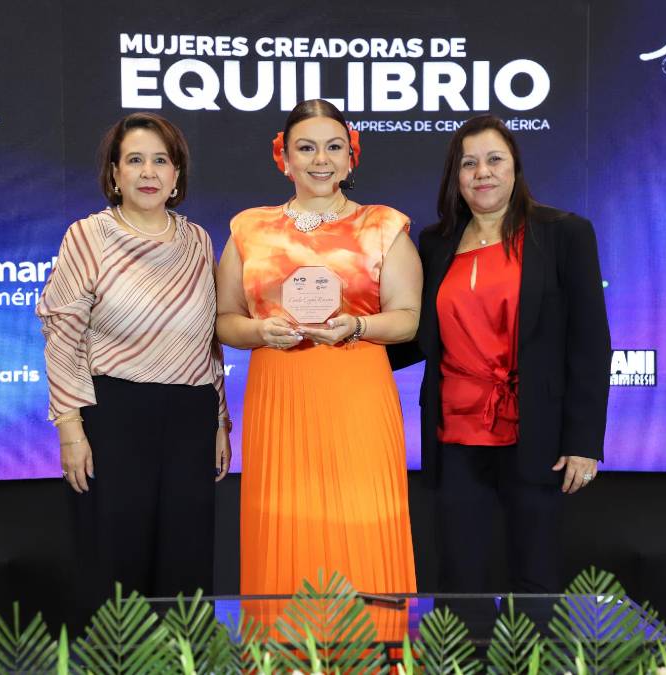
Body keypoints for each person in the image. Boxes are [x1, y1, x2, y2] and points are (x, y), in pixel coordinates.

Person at [393, 114, 610, 593]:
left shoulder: (564, 234)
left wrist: (584, 441)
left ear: (515, 167)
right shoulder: (434, 243)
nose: (482, 172)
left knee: (535, 575)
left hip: (535, 432)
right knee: (458, 576)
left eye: (494, 159)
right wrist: (345, 344)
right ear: (455, 176)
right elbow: (416, 335)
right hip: (454, 433)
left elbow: (590, 343)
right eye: (468, 163)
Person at [216, 99, 421, 598]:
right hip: (278, 396)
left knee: (360, 524)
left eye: (334, 147)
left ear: (351, 157)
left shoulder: (383, 226)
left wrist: (358, 325)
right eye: (306, 148)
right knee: (284, 527)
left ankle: (370, 640)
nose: (320, 160)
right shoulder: (249, 229)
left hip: (357, 397)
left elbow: (407, 319)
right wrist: (260, 332)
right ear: (284, 158)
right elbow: (224, 321)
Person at [36, 112, 230, 607]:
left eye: (161, 161)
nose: (149, 172)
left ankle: (183, 650)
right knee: (114, 562)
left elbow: (208, 339)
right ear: (115, 173)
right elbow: (63, 335)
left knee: (187, 562)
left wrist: (219, 421)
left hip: (190, 416)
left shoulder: (198, 240)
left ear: (177, 174)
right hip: (114, 415)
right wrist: (70, 429)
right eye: (135, 160)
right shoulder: (89, 236)